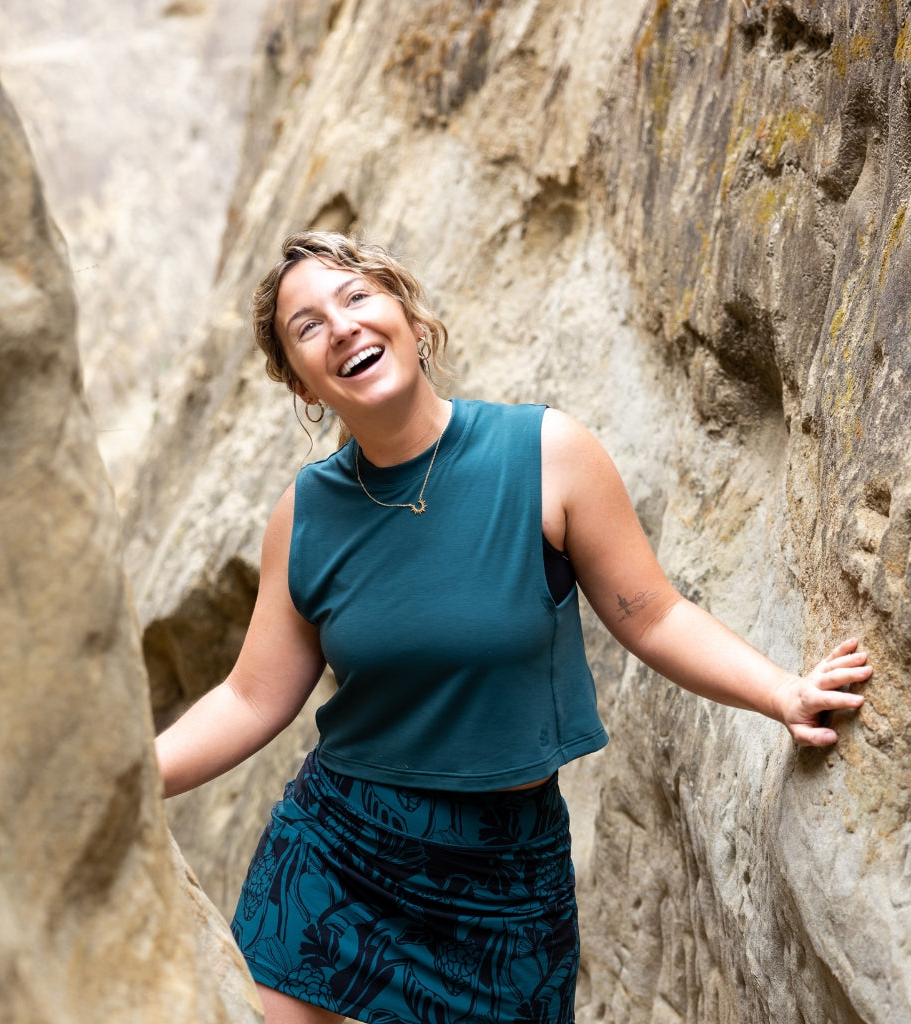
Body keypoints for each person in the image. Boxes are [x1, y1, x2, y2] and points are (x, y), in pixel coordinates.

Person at [155, 231, 872, 1024]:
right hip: (337, 860)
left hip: (505, 885)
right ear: (304, 387)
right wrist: (126, 777)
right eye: (308, 326)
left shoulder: (545, 453)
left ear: (411, 317)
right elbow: (253, 699)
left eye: (357, 297)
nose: (343, 327)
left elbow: (654, 615)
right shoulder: (305, 513)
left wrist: (783, 693)